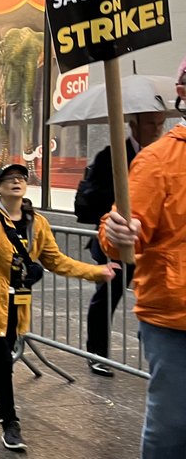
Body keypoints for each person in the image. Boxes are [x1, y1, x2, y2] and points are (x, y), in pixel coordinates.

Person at [0, 164, 112, 451]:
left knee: (4, 355)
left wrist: (97, 272)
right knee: (1, 357)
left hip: (17, 302)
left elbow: (57, 261)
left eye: (21, 178)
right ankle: (12, 423)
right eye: (9, 179)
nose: (16, 182)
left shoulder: (38, 223)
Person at [100, 109, 186, 459]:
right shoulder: (158, 161)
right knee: (174, 421)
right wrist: (118, 232)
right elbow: (117, 239)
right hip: (173, 317)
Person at [75, 111, 166, 375]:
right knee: (107, 297)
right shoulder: (111, 154)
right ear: (134, 124)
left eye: (160, 123)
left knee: (150, 297)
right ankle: (96, 353)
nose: (157, 129)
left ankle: (154, 351)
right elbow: (92, 197)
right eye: (151, 123)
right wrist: (124, 198)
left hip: (149, 245)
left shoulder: (161, 156)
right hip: (115, 241)